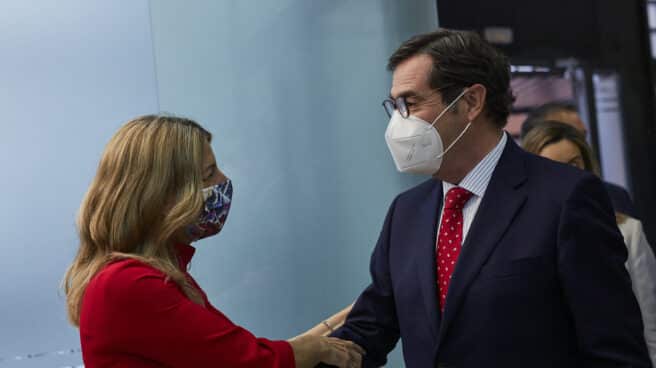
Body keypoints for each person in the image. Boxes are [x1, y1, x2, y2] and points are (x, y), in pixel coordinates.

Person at [321, 29, 651, 368]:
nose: (398, 123)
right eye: (395, 106)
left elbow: (615, 351)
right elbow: (368, 330)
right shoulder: (406, 213)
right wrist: (281, 357)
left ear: (470, 102)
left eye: (411, 103)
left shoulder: (565, 198)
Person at [62, 115, 364, 368]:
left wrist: (336, 325)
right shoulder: (128, 284)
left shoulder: (150, 276)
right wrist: (318, 349)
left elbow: (244, 353)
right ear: (162, 195)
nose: (222, 181)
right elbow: (246, 361)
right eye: (208, 174)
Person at [523, 120, 656, 366]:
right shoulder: (521, 240)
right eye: (553, 167)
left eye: (574, 164)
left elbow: (649, 320)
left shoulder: (628, 230)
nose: (567, 176)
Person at [521, 101, 638, 218]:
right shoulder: (516, 214)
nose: (583, 144)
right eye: (570, 134)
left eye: (583, 136)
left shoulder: (615, 198)